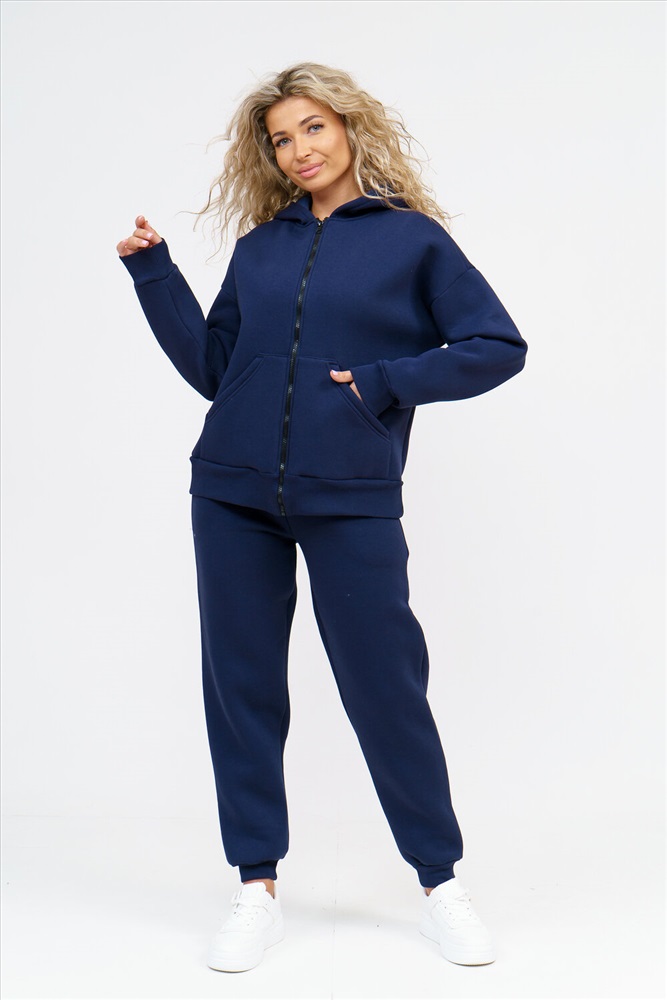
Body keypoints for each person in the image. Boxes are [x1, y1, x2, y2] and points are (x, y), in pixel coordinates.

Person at [116, 61, 527, 974]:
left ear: (347, 127)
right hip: (230, 493)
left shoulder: (412, 241)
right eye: (280, 139)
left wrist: (381, 384)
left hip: (350, 496)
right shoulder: (261, 247)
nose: (298, 149)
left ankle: (439, 883)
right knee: (242, 690)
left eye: (312, 128)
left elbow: (498, 346)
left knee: (385, 687)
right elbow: (215, 370)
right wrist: (154, 275)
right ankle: (255, 886)